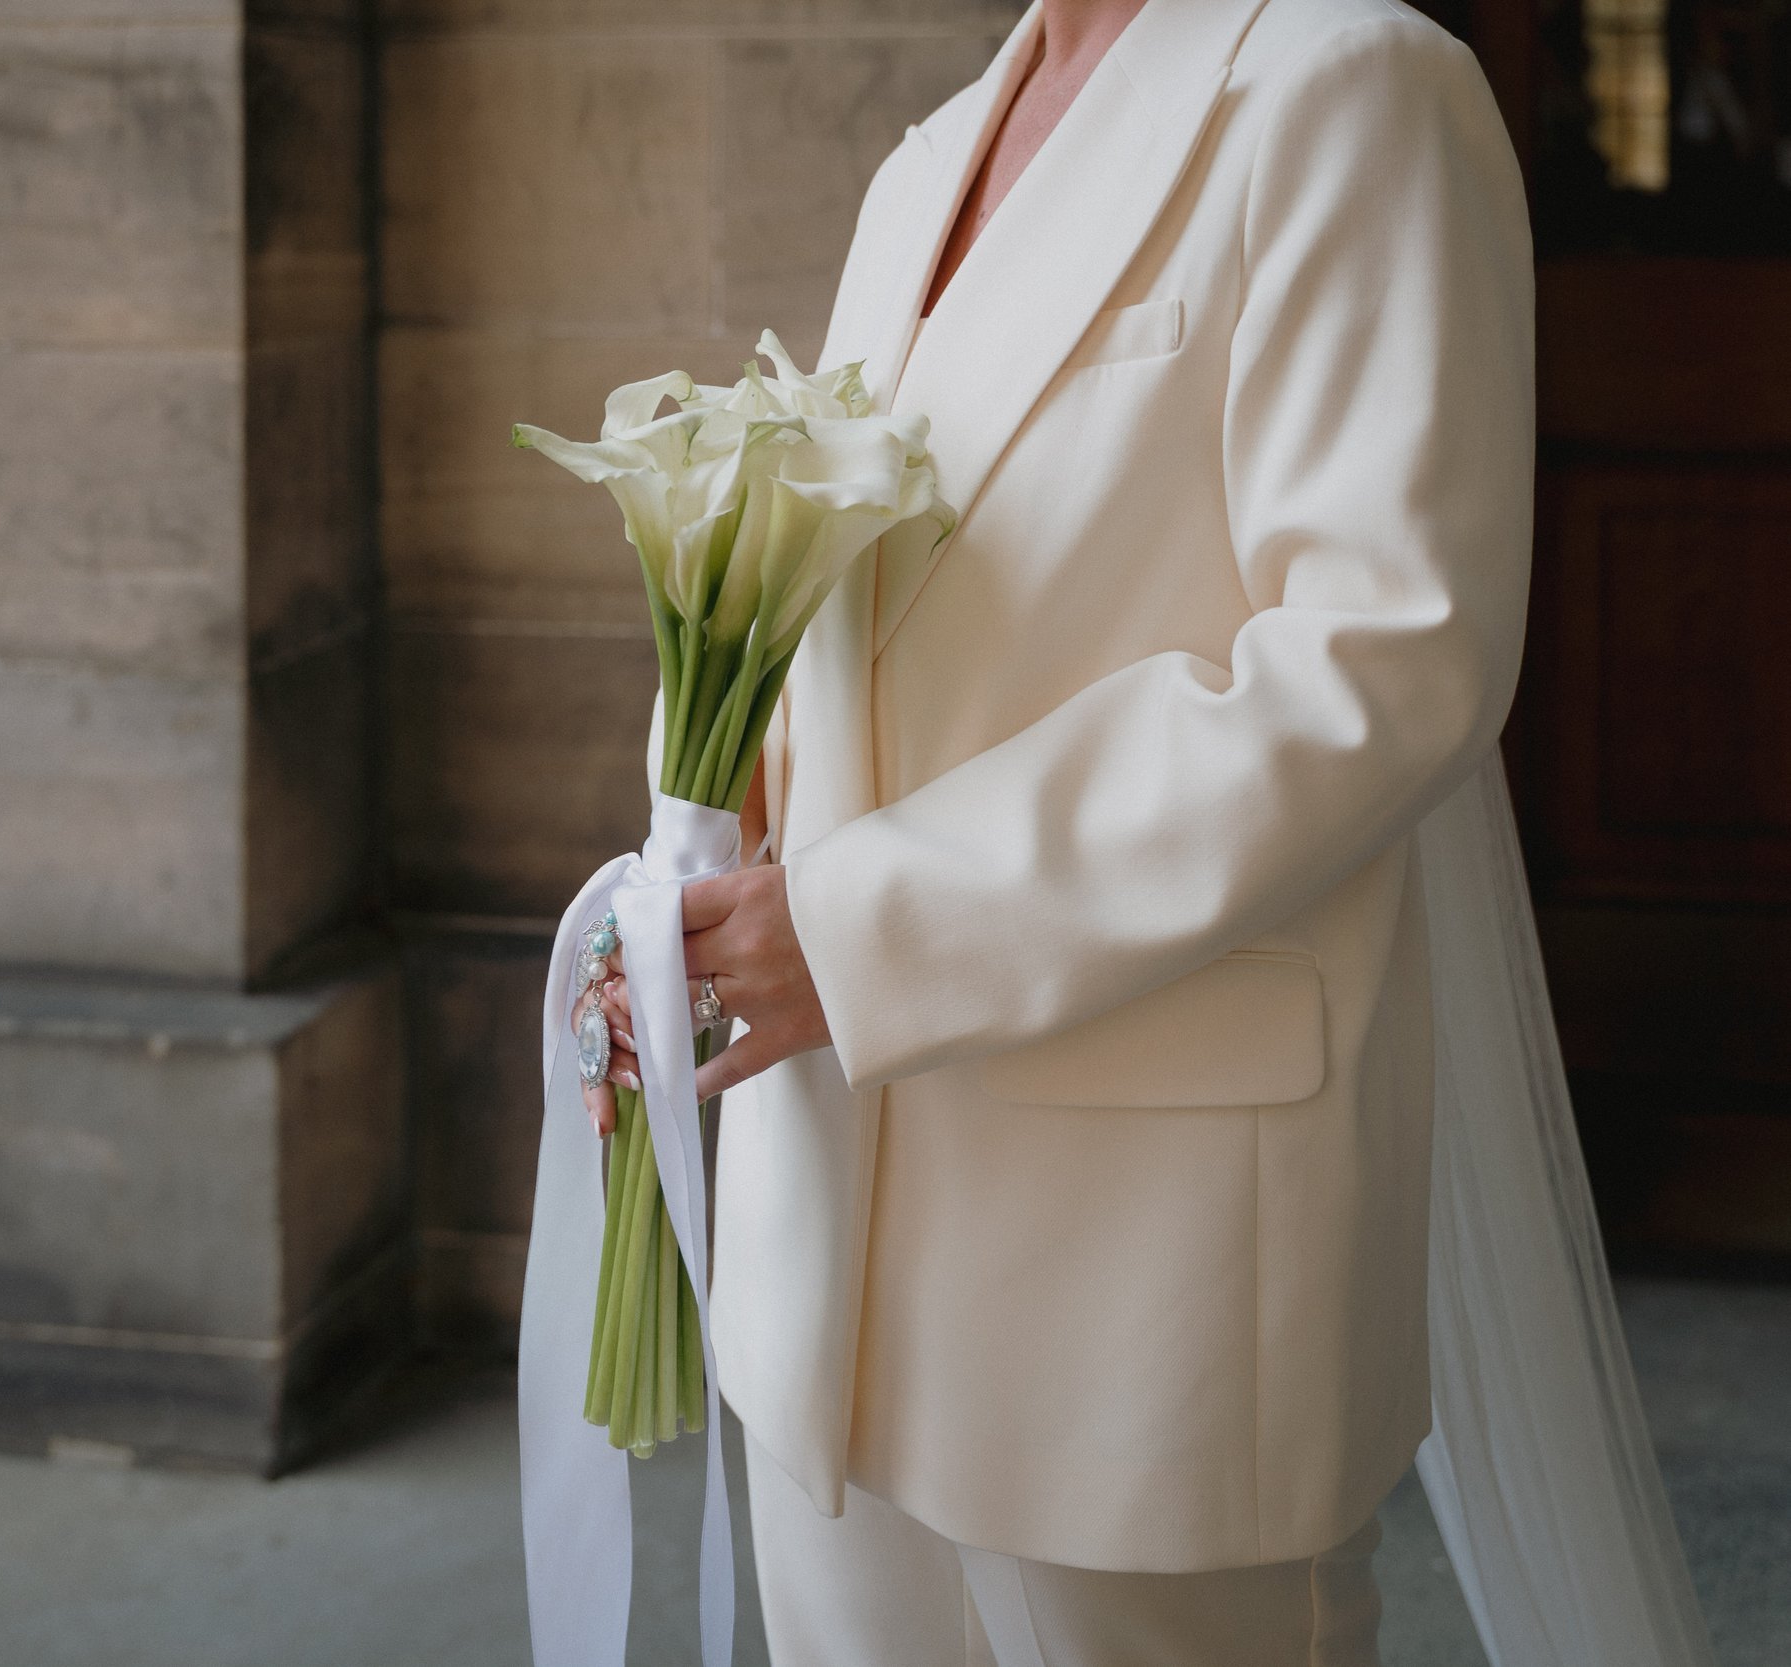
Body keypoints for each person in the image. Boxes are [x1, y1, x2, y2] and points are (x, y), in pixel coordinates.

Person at [564, 0, 1712, 1662]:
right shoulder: (922, 166)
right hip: (829, 1236)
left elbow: (1384, 662)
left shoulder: (1352, 86)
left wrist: (860, 930)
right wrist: (697, 861)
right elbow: (847, 611)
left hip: (1142, 1261)